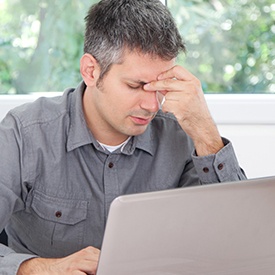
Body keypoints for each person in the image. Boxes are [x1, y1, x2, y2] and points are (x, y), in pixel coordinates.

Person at [0, 0, 246, 274]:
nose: (153, 106)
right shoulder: (24, 134)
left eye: (161, 87)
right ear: (91, 71)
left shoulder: (181, 134)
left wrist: (206, 132)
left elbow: (239, 237)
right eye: (135, 86)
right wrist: (37, 268)